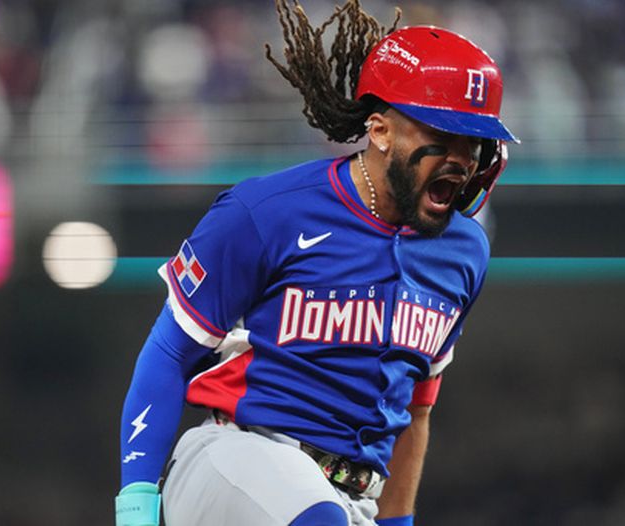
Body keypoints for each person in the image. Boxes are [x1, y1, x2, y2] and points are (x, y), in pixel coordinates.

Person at [115, 1, 518, 525]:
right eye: (442, 137)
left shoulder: (464, 251)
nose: (461, 159)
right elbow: (171, 351)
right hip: (236, 455)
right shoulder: (266, 211)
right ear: (380, 131)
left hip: (353, 496)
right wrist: (136, 505)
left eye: (474, 142)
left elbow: (416, 410)